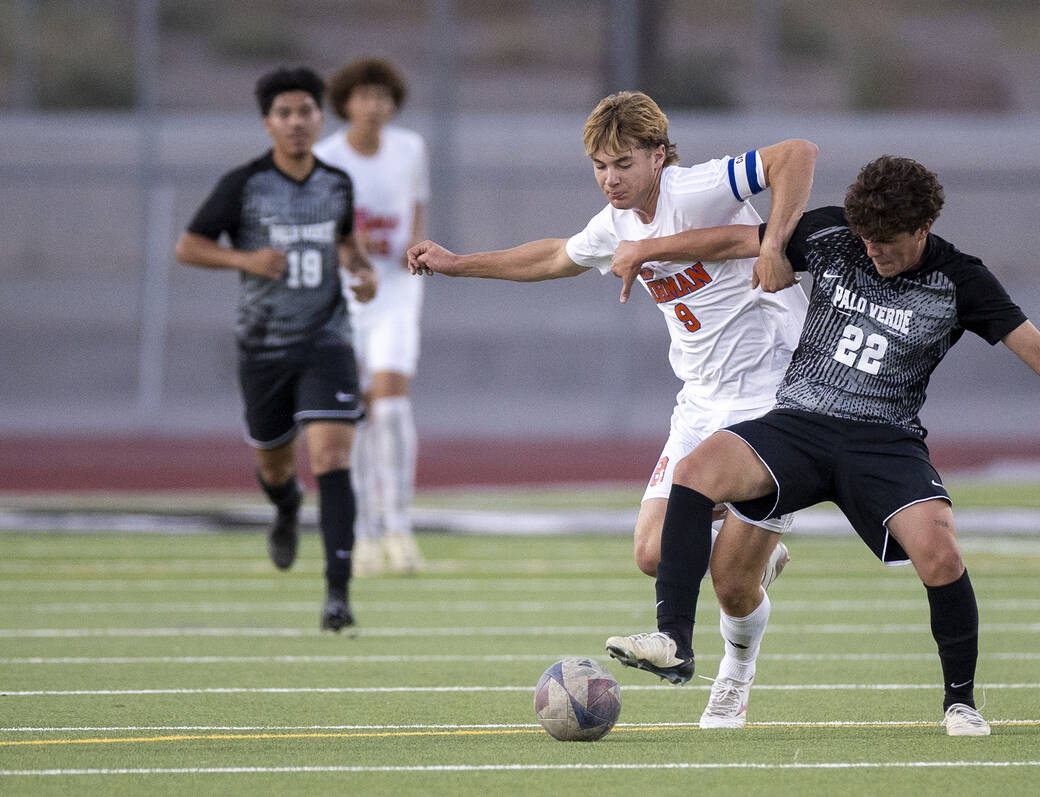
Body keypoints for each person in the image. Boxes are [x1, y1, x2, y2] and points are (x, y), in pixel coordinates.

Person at [605, 155, 1040, 736]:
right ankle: (674, 639)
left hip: (883, 440)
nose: (872, 251)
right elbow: (734, 239)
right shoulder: (832, 233)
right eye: (865, 239)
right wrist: (648, 250)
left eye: (887, 242)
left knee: (940, 553)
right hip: (800, 419)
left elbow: (1039, 349)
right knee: (695, 470)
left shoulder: (961, 280)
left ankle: (961, 702)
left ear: (923, 228)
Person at [408, 91, 819, 727]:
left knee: (733, 586)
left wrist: (775, 243)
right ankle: (751, 548)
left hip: (772, 396)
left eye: (623, 163)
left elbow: (796, 155)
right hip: (701, 402)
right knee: (653, 554)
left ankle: (735, 675)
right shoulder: (616, 222)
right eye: (600, 165)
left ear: (659, 156)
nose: (610, 178)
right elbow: (553, 256)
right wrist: (459, 264)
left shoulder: (698, 188)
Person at [175, 66, 378, 633]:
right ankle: (286, 506)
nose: (296, 123)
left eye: (306, 111)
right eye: (284, 113)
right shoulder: (244, 184)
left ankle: (338, 595)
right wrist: (244, 259)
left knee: (333, 457)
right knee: (274, 462)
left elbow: (345, 245)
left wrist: (363, 274)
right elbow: (188, 246)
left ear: (320, 117)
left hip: (328, 339)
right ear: (268, 122)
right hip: (264, 347)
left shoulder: (337, 182)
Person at [314, 57, 430, 575]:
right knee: (354, 415)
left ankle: (400, 530)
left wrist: (414, 247)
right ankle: (361, 533)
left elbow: (417, 207)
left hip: (398, 294)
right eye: (364, 96)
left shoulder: (410, 149)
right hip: (343, 298)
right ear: (345, 103)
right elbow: (325, 231)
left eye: (382, 96)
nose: (374, 105)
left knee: (390, 408)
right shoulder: (327, 158)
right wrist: (354, 265)